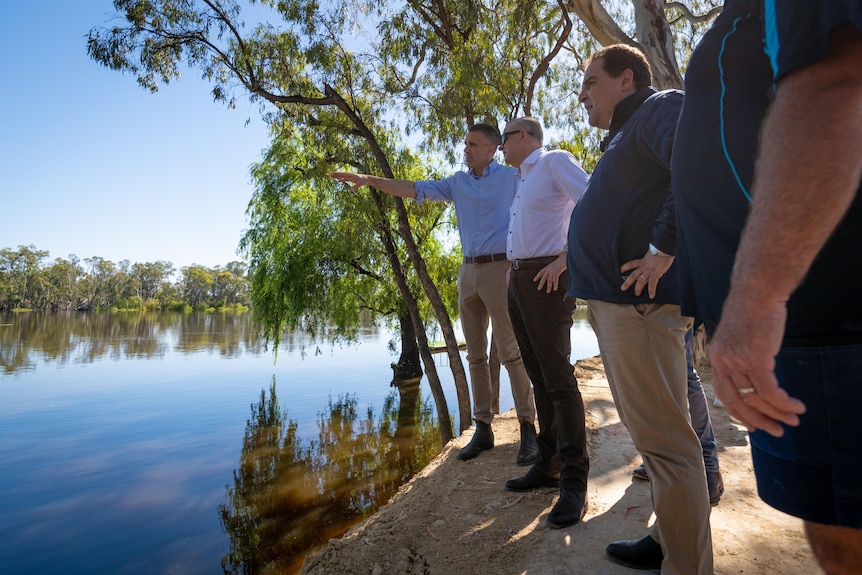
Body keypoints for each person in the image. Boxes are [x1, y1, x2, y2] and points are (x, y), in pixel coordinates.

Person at [671, 2, 862, 573]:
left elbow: (836, 88)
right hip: (809, 315)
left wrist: (757, 297)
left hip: (824, 310)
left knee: (847, 539)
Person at [566, 45, 712, 574]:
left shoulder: (657, 108)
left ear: (626, 79)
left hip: (642, 308)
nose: (581, 92)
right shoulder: (625, 133)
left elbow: (696, 165)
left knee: (669, 449)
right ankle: (669, 545)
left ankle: (685, 565)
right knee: (660, 445)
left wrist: (662, 249)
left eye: (589, 81)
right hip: (625, 308)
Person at [331, 123, 539, 466]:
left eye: (473, 145)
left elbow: (542, 204)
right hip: (468, 273)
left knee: (510, 352)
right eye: (465, 144)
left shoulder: (514, 177)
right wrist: (368, 180)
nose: (466, 150)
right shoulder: (457, 183)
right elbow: (413, 189)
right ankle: (483, 428)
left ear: (491, 149)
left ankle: (528, 429)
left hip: (500, 270)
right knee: (474, 355)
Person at [498, 116, 591, 530]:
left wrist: (566, 258)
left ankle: (574, 482)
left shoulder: (554, 162)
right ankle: (548, 464)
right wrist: (513, 268)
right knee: (538, 379)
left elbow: (593, 203)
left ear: (522, 137)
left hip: (547, 279)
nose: (500, 148)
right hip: (519, 279)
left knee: (558, 380)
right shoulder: (521, 179)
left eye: (503, 139)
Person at [632, 326, 724, 507]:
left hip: (671, 303)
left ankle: (708, 466)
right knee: (651, 372)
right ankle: (658, 459)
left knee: (682, 370)